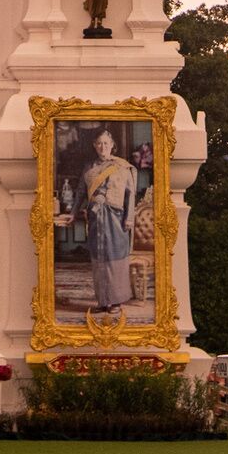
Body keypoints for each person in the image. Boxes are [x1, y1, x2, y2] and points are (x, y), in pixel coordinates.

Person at [77, 126, 146, 318]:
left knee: (116, 259)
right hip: (95, 218)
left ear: (112, 145)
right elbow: (80, 193)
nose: (102, 146)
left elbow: (131, 194)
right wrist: (73, 213)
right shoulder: (89, 168)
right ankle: (102, 301)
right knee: (99, 260)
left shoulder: (123, 167)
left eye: (106, 143)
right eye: (98, 143)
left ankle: (116, 301)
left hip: (116, 218)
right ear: (94, 145)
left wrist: (129, 218)